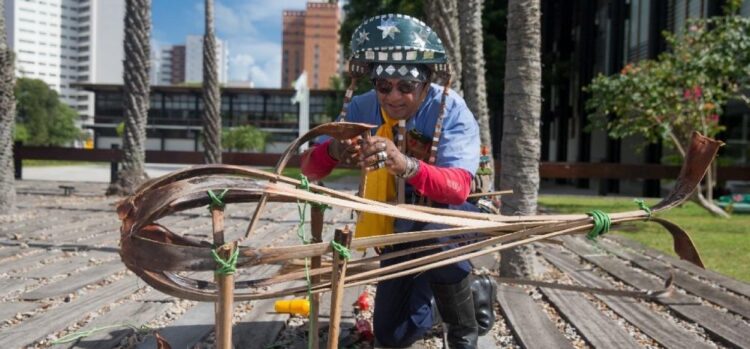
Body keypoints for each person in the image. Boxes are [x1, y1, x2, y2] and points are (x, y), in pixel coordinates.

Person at [300, 14, 495, 349]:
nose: (393, 97)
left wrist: (404, 164)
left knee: (436, 233)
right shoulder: (362, 107)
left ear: (426, 82)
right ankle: (462, 295)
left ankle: (464, 332)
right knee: (393, 335)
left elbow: (457, 188)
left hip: (453, 216)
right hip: (397, 224)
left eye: (406, 87)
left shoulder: (451, 108)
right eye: (383, 86)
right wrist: (333, 150)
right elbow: (308, 169)